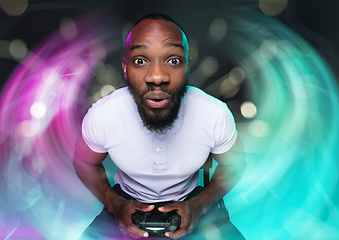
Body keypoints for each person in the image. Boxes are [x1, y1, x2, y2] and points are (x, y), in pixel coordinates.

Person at [73, 13, 246, 240]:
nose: (157, 76)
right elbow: (83, 161)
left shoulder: (213, 113)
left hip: (192, 198)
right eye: (140, 61)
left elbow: (235, 164)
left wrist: (198, 206)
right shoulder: (104, 114)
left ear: (187, 66)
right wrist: (114, 204)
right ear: (125, 68)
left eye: (173, 60)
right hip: (125, 198)